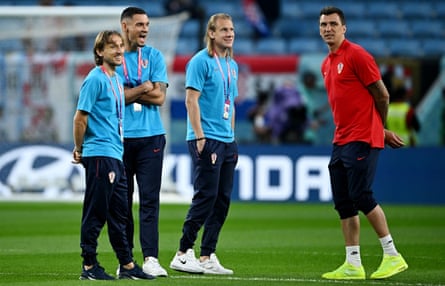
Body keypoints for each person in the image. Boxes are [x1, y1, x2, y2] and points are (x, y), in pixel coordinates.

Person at [318, 6, 408, 280]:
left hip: (362, 137)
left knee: (361, 196)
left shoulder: (357, 55)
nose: (328, 29)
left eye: (333, 24)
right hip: (341, 139)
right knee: (344, 203)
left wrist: (380, 129)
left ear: (344, 28)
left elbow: (382, 95)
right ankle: (353, 264)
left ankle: (393, 255)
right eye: (323, 25)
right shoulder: (326, 63)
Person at [72, 30, 153, 280]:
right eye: (112, 47)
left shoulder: (116, 79)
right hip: (100, 154)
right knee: (96, 212)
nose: (119, 50)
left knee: (120, 214)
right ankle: (88, 266)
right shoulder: (94, 79)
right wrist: (80, 149)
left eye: (120, 46)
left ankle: (127, 265)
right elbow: (80, 118)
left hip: (116, 154)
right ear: (99, 52)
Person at [169, 13, 239, 275]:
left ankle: (208, 254)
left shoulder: (232, 65)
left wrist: (231, 140)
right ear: (211, 33)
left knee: (222, 200)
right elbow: (191, 100)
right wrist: (200, 136)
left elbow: (230, 105)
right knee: (206, 196)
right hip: (206, 137)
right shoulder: (200, 61)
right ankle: (183, 252)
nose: (229, 34)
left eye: (231, 29)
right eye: (223, 30)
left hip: (226, 141)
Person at [115, 7, 169, 277]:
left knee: (150, 200)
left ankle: (150, 259)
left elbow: (160, 98)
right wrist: (143, 88)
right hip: (120, 139)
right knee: (122, 202)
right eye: (139, 25)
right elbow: (115, 97)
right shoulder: (112, 57)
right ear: (125, 27)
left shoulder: (154, 56)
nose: (145, 29)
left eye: (147, 24)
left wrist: (129, 92)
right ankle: (125, 261)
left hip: (151, 138)